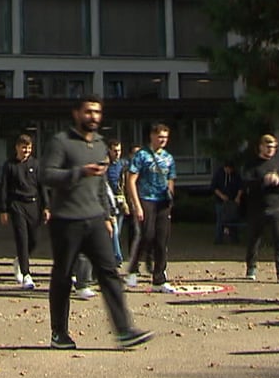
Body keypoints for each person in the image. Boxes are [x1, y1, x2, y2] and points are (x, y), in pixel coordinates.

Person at [40, 94, 153, 349]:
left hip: (94, 220)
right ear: (76, 114)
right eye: (88, 112)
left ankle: (124, 330)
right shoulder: (61, 142)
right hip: (66, 221)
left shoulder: (102, 144)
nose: (93, 117)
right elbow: (47, 175)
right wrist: (79, 172)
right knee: (63, 276)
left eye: (97, 112)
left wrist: (106, 215)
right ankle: (59, 334)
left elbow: (101, 185)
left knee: (109, 273)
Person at [125, 123, 177, 292]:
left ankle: (159, 278)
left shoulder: (168, 157)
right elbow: (131, 180)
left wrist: (170, 196)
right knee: (147, 235)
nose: (163, 140)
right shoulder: (142, 155)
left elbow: (171, 178)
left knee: (162, 239)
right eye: (160, 137)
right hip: (146, 198)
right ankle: (133, 269)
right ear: (152, 136)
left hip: (162, 201)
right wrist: (136, 205)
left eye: (166, 137)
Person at [241, 134, 279, 283]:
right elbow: (245, 184)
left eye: (274, 147)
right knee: (254, 239)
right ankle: (251, 267)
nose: (271, 150)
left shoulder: (277, 164)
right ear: (261, 147)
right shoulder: (251, 165)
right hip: (257, 208)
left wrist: (278, 181)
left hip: (275, 207)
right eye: (268, 147)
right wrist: (263, 181)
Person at [0, 132, 48, 289]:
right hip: (16, 205)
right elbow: (4, 189)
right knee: (22, 238)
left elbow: (42, 187)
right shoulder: (9, 165)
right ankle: (26, 274)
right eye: (23, 148)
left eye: (28, 148)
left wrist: (46, 207)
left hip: (33, 205)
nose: (26, 151)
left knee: (34, 240)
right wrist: (3, 209)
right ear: (17, 148)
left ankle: (20, 260)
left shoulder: (36, 164)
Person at [104, 138, 128, 266]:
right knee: (113, 229)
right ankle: (117, 257)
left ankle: (113, 255)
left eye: (119, 150)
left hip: (120, 202)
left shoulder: (123, 164)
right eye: (115, 151)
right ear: (109, 150)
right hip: (108, 202)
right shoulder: (105, 165)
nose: (117, 153)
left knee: (116, 233)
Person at [210, 161, 242, 244]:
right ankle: (218, 239)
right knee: (220, 219)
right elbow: (214, 187)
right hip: (220, 201)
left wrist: (238, 197)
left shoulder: (236, 175)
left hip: (232, 201)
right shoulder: (218, 174)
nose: (229, 171)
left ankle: (234, 239)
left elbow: (240, 187)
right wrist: (221, 196)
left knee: (233, 219)